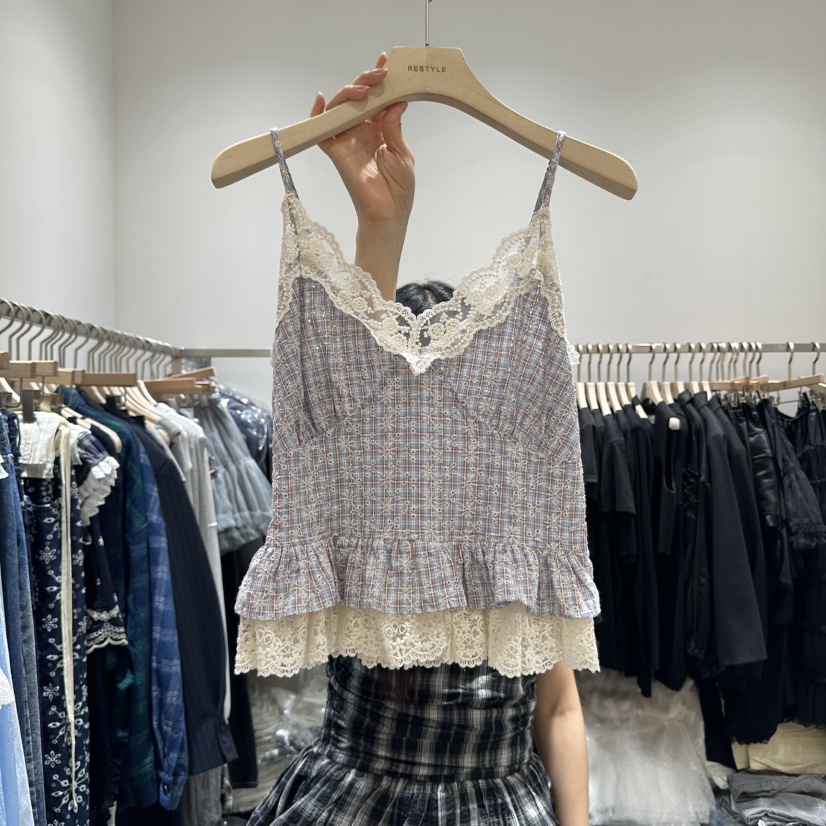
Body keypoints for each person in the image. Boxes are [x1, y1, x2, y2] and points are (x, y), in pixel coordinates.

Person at [246, 54, 591, 826]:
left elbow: (561, 707)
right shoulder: (363, 520)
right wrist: (379, 226)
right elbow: (358, 399)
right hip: (355, 799)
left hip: (498, 800)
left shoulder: (515, 517)